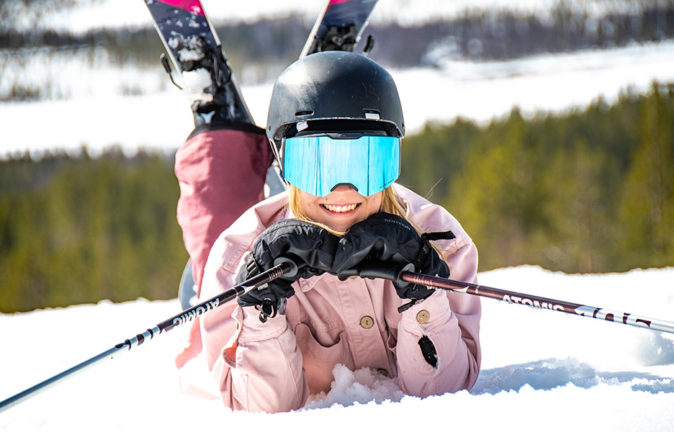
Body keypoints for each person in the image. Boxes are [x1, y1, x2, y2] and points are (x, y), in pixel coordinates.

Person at [174, 51, 481, 413]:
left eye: (365, 163)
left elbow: (447, 391)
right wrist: (261, 309)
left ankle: (326, 85)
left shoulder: (440, 244)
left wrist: (424, 295)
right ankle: (216, 117)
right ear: (285, 164)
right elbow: (263, 409)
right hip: (223, 305)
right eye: (316, 166)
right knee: (212, 238)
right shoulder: (234, 262)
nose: (341, 190)